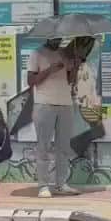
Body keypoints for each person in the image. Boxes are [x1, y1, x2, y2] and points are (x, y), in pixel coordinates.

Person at [26, 38, 81, 198]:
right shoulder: (36, 53)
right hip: (44, 104)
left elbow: (71, 81)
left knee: (63, 147)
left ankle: (61, 184)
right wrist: (50, 69)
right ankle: (43, 185)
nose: (58, 40)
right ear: (48, 37)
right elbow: (31, 81)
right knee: (44, 146)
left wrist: (75, 67)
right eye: (55, 37)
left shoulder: (65, 53)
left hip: (65, 104)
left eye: (60, 37)